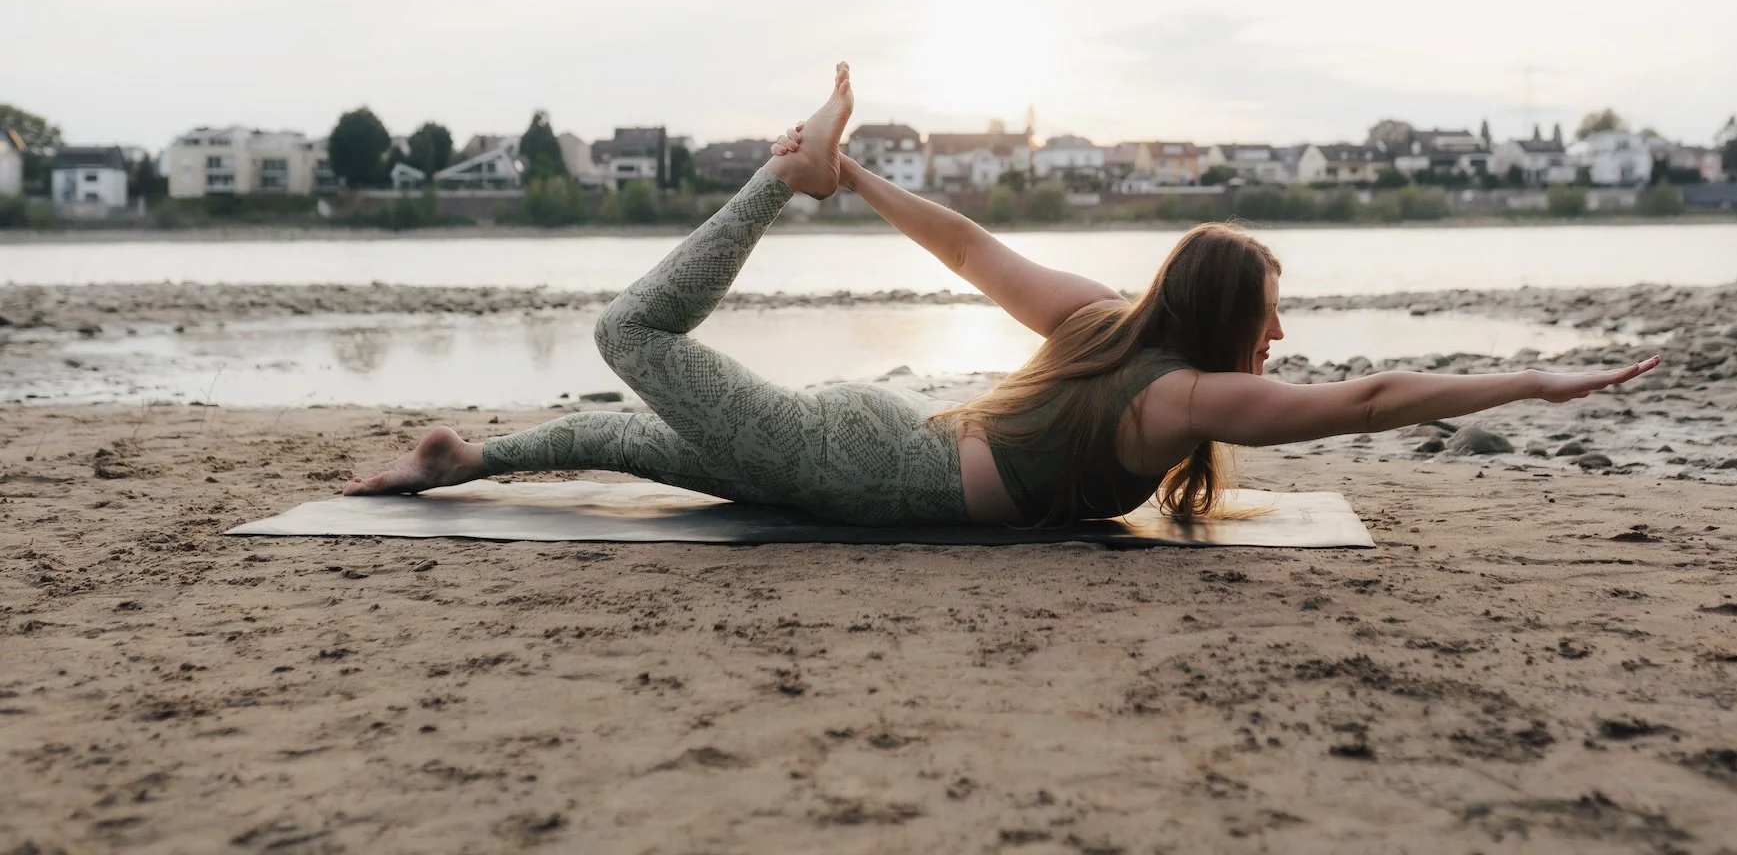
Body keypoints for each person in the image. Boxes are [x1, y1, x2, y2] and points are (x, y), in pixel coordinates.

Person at [345, 63, 1660, 525]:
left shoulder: (1110, 328)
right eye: (1268, 312)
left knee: (632, 440)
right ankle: (771, 177)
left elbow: (970, 250)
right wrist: (1539, 378)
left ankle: (455, 461)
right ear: (1219, 321)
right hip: (857, 467)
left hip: (865, 443)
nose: (1281, 338)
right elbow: (1371, 398)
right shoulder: (1177, 395)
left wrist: (865, 180)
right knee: (625, 339)